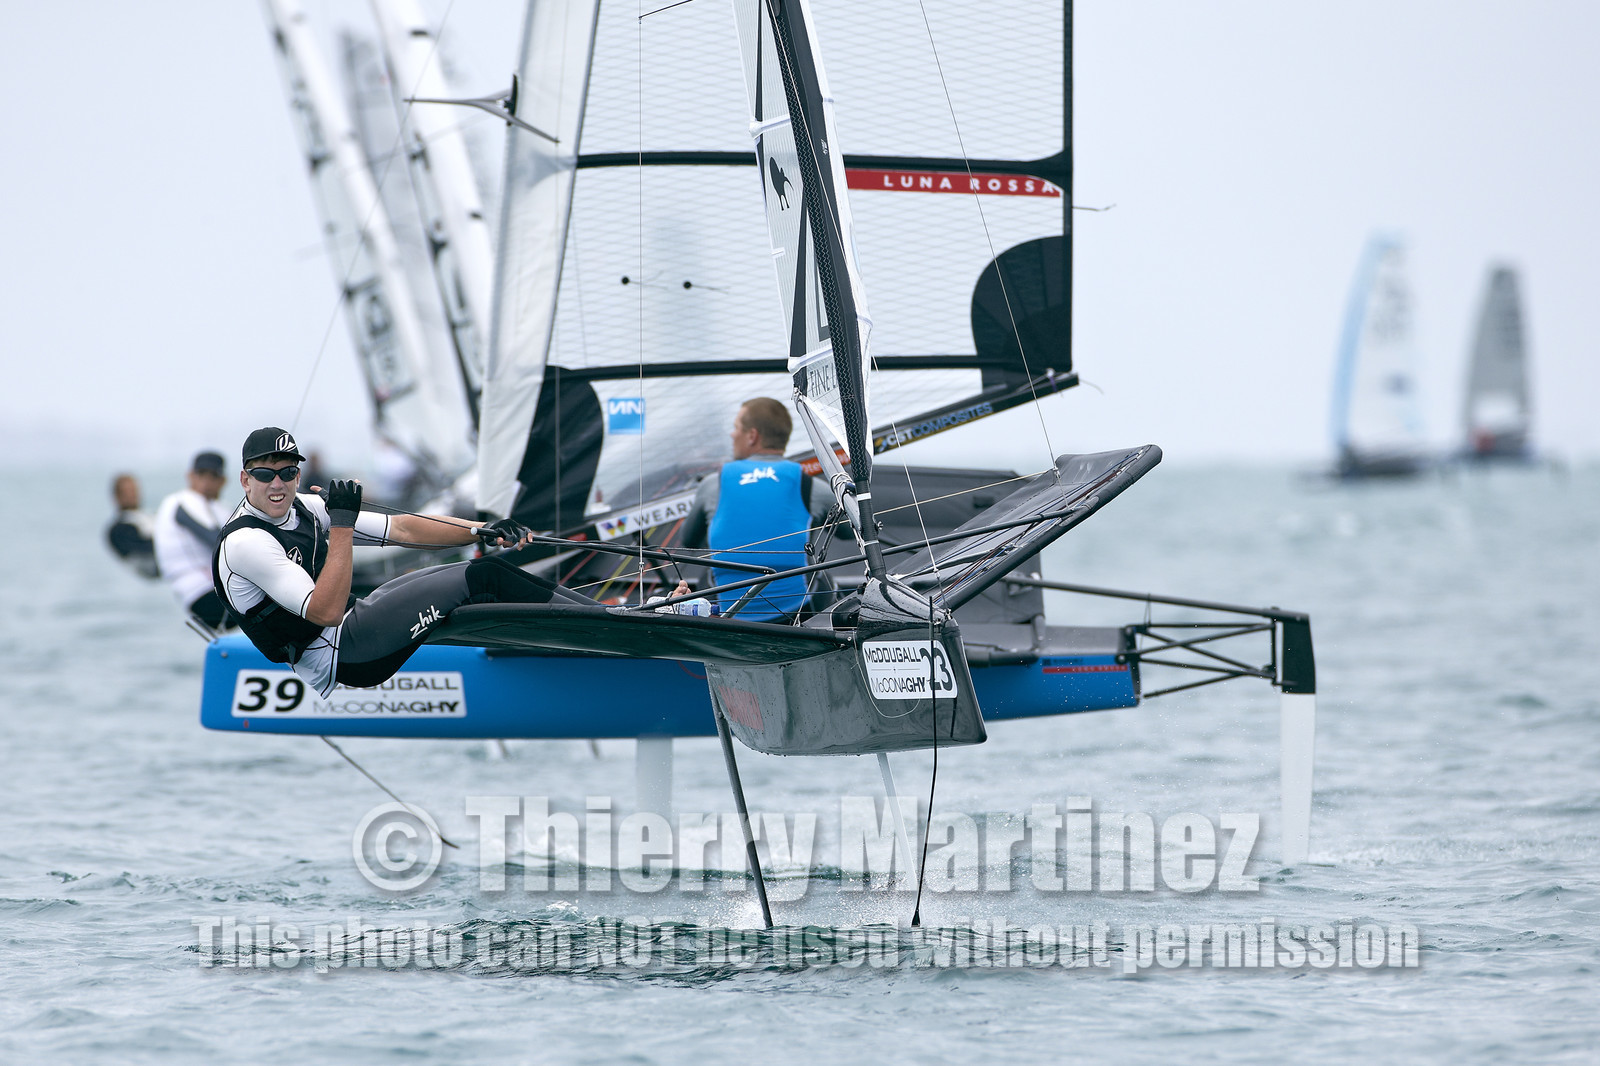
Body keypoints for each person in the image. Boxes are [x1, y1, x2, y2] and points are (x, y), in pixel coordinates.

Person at [212, 427, 560, 697]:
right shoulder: (246, 543)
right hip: (343, 653)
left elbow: (404, 529)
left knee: (488, 574)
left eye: (288, 473)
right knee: (484, 577)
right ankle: (603, 625)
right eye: (265, 475)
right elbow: (326, 612)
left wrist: (481, 530)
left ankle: (574, 632)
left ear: (298, 477)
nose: (278, 484)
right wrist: (344, 523)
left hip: (355, 625)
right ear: (246, 479)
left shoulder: (306, 508)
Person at [679, 398, 832, 621]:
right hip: (797, 614)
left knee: (706, 579)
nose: (732, 435)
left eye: (736, 428)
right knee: (824, 580)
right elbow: (849, 533)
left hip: (729, 619)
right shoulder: (810, 486)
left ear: (752, 436)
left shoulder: (713, 483)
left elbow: (689, 540)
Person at [154, 451, 236, 629]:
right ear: (190, 476)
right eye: (201, 474)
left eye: (213, 476)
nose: (206, 481)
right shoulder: (181, 501)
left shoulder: (220, 507)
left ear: (223, 481)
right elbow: (218, 541)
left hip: (219, 593)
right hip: (201, 594)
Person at [106, 473, 159, 580]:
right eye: (127, 491)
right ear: (117, 496)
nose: (132, 495)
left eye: (134, 490)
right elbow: (143, 551)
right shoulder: (119, 529)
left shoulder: (147, 515)